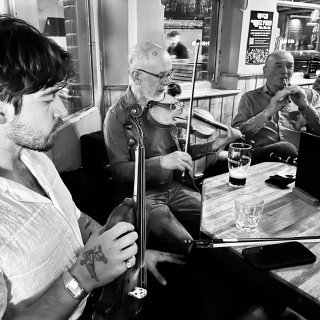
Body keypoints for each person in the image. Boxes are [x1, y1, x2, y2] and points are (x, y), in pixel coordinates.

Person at [0, 15, 184, 320]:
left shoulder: (35, 159)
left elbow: (73, 217)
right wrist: (84, 277)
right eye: (49, 99)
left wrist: (127, 255)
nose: (61, 111)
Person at [104, 41, 241, 255]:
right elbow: (119, 170)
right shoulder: (116, 116)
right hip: (141, 196)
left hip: (174, 188)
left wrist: (214, 145)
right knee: (187, 244)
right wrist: (161, 162)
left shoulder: (169, 105)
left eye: (170, 74)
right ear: (136, 76)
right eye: (161, 76)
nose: (168, 82)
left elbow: (181, 154)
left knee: (218, 218)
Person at [232, 50, 320, 164]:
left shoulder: (309, 95)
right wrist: (267, 112)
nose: (284, 72)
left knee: (288, 149)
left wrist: (305, 106)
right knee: (284, 148)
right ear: (265, 71)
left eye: (289, 67)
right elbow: (237, 136)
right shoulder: (249, 98)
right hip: (263, 159)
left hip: (298, 162)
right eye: (278, 66)